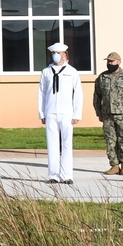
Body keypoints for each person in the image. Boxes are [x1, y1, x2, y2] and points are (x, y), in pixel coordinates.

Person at [38, 41, 83, 185]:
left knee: (66, 144)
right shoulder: (46, 72)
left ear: (65, 55)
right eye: (53, 53)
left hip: (66, 113)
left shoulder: (72, 72)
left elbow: (78, 94)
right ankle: (53, 175)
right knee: (52, 144)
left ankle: (67, 175)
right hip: (51, 112)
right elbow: (42, 94)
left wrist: (77, 114)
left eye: (59, 53)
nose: (56, 56)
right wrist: (42, 113)